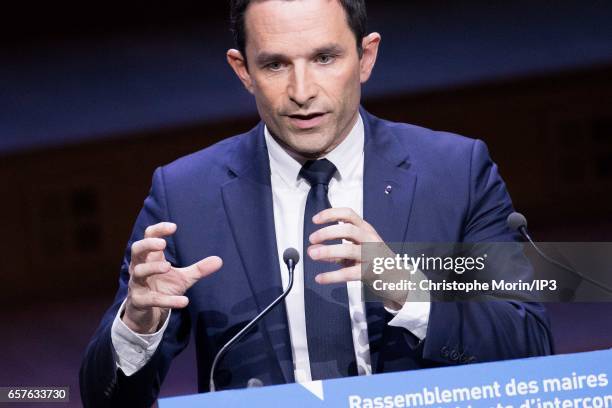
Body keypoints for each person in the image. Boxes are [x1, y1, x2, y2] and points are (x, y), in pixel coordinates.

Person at [80, 0, 553, 406]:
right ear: (242, 70)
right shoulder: (185, 195)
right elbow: (108, 399)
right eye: (275, 64)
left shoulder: (454, 172)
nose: (302, 92)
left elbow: (531, 349)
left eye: (325, 58)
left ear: (366, 57)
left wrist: (409, 292)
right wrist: (139, 326)